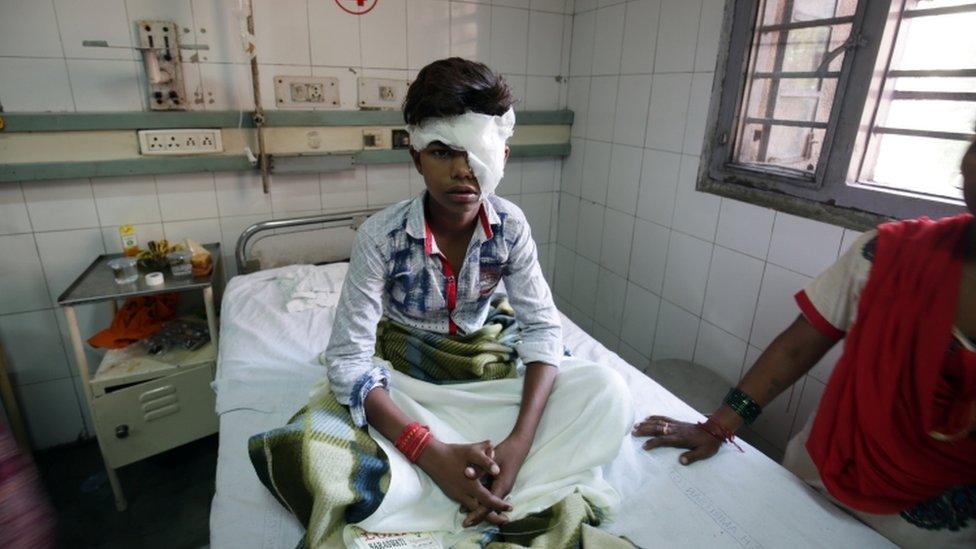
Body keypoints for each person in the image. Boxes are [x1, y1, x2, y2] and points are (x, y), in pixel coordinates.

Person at [323, 58, 630, 534]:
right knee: (340, 459)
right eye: (444, 152)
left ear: (502, 157)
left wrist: (518, 443)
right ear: (416, 157)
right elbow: (348, 363)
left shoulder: (510, 228)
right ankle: (463, 471)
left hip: (485, 376)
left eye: (478, 151)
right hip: (411, 384)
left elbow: (544, 329)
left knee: (606, 391)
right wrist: (430, 451)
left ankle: (494, 471)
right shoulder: (379, 238)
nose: (464, 170)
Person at [633, 136, 976, 548]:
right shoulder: (887, 254)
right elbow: (795, 348)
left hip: (931, 534)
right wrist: (718, 425)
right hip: (816, 475)